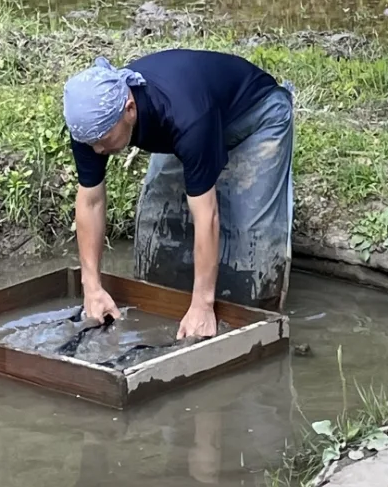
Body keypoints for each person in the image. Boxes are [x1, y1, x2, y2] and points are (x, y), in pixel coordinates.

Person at [62, 48, 295, 340]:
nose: (97, 151)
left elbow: (206, 214)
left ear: (129, 109)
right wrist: (92, 286)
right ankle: (175, 304)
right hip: (192, 121)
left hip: (255, 115)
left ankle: (254, 330)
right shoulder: (91, 122)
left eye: (103, 141)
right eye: (91, 143)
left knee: (248, 235)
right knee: (159, 224)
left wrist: (203, 304)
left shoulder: (185, 117)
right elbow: (91, 200)